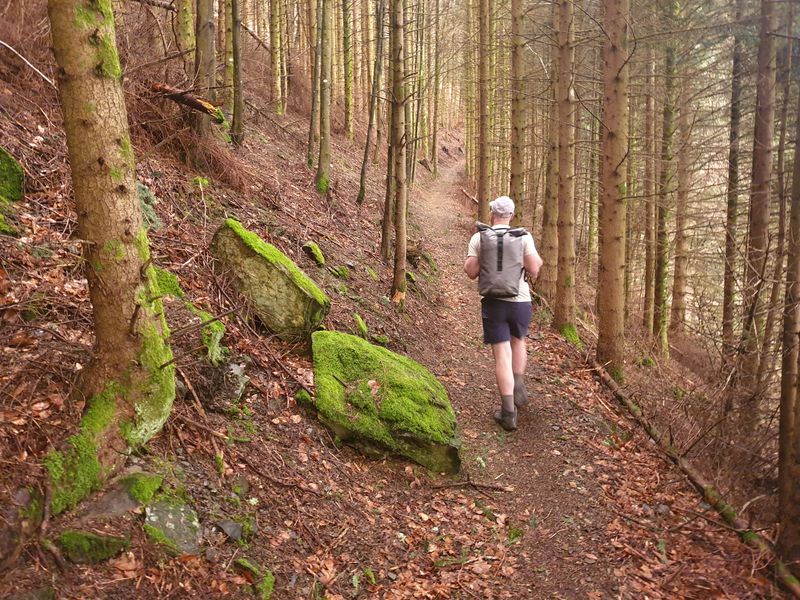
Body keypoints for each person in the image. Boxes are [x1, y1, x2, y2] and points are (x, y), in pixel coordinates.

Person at [464, 196, 543, 431]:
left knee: (501, 355)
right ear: (511, 215)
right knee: (518, 342)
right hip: (520, 301)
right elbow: (535, 269)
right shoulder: (523, 237)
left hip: (493, 302)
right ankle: (518, 385)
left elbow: (470, 271)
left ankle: (508, 413)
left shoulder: (479, 237)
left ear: (492, 214)